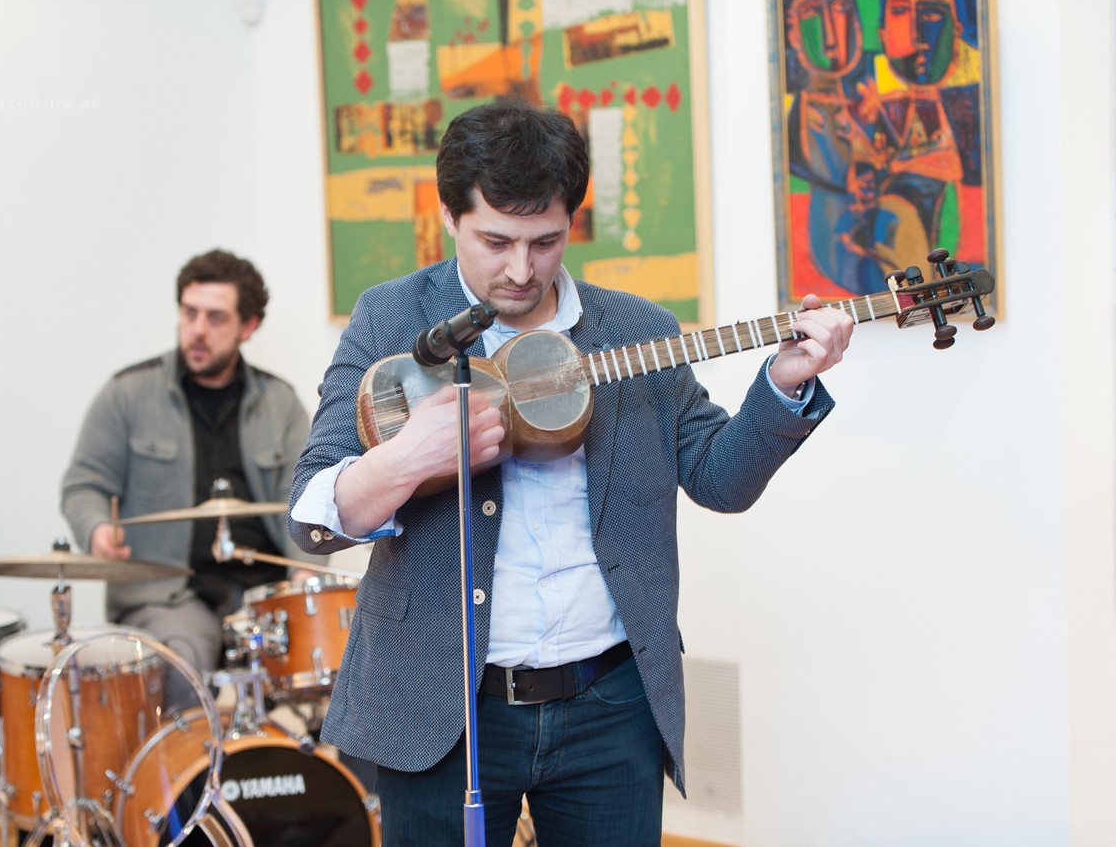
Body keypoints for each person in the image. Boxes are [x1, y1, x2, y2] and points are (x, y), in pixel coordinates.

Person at [288, 97, 854, 845]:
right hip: (442, 704)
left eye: (545, 242)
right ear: (449, 216)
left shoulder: (637, 330)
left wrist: (783, 383)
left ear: (571, 224)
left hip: (610, 703)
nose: (520, 269)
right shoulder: (390, 318)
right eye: (496, 240)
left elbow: (720, 480)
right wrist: (406, 459)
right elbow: (312, 516)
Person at [61, 249, 318, 682]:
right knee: (183, 661)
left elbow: (307, 498)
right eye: (189, 313)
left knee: (347, 658)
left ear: (248, 327)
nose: (198, 330)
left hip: (264, 593)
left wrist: (303, 573)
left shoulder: (281, 403)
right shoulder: (127, 393)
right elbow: (83, 486)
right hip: (167, 595)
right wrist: (98, 530)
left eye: (216, 318)